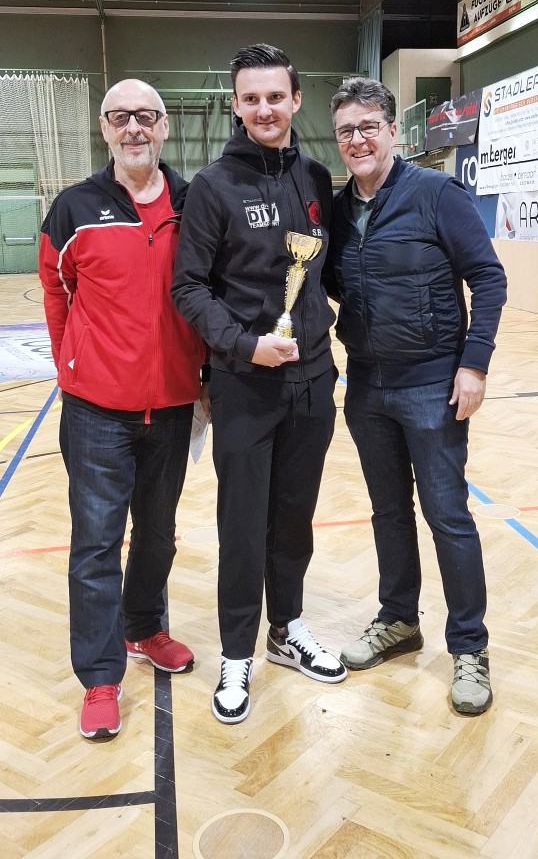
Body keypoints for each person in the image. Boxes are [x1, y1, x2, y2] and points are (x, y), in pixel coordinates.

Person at [172, 43, 347, 724]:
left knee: (294, 519)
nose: (265, 109)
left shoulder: (315, 176)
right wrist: (245, 345)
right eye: (251, 98)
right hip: (245, 384)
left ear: (296, 99)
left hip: (314, 381)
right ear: (236, 105)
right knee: (242, 525)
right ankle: (237, 652)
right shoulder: (212, 186)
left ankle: (287, 629)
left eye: (275, 96)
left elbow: (329, 272)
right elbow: (188, 288)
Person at [326, 77, 507, 715]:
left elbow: (488, 278)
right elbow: (330, 283)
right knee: (388, 513)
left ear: (393, 132)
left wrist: (474, 365)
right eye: (346, 131)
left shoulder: (435, 194)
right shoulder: (337, 212)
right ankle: (399, 619)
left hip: (433, 384)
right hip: (366, 385)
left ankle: (470, 648)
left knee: (447, 516)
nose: (357, 140)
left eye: (368, 127)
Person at [39, 79, 207, 740]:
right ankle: (100, 675)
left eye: (145, 116)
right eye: (120, 117)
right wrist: (71, 364)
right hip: (96, 411)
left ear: (163, 126)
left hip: (173, 405)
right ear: (105, 129)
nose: (133, 127)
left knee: (158, 534)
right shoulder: (75, 207)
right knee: (96, 545)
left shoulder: (193, 203)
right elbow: (56, 289)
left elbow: (211, 291)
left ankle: (144, 629)